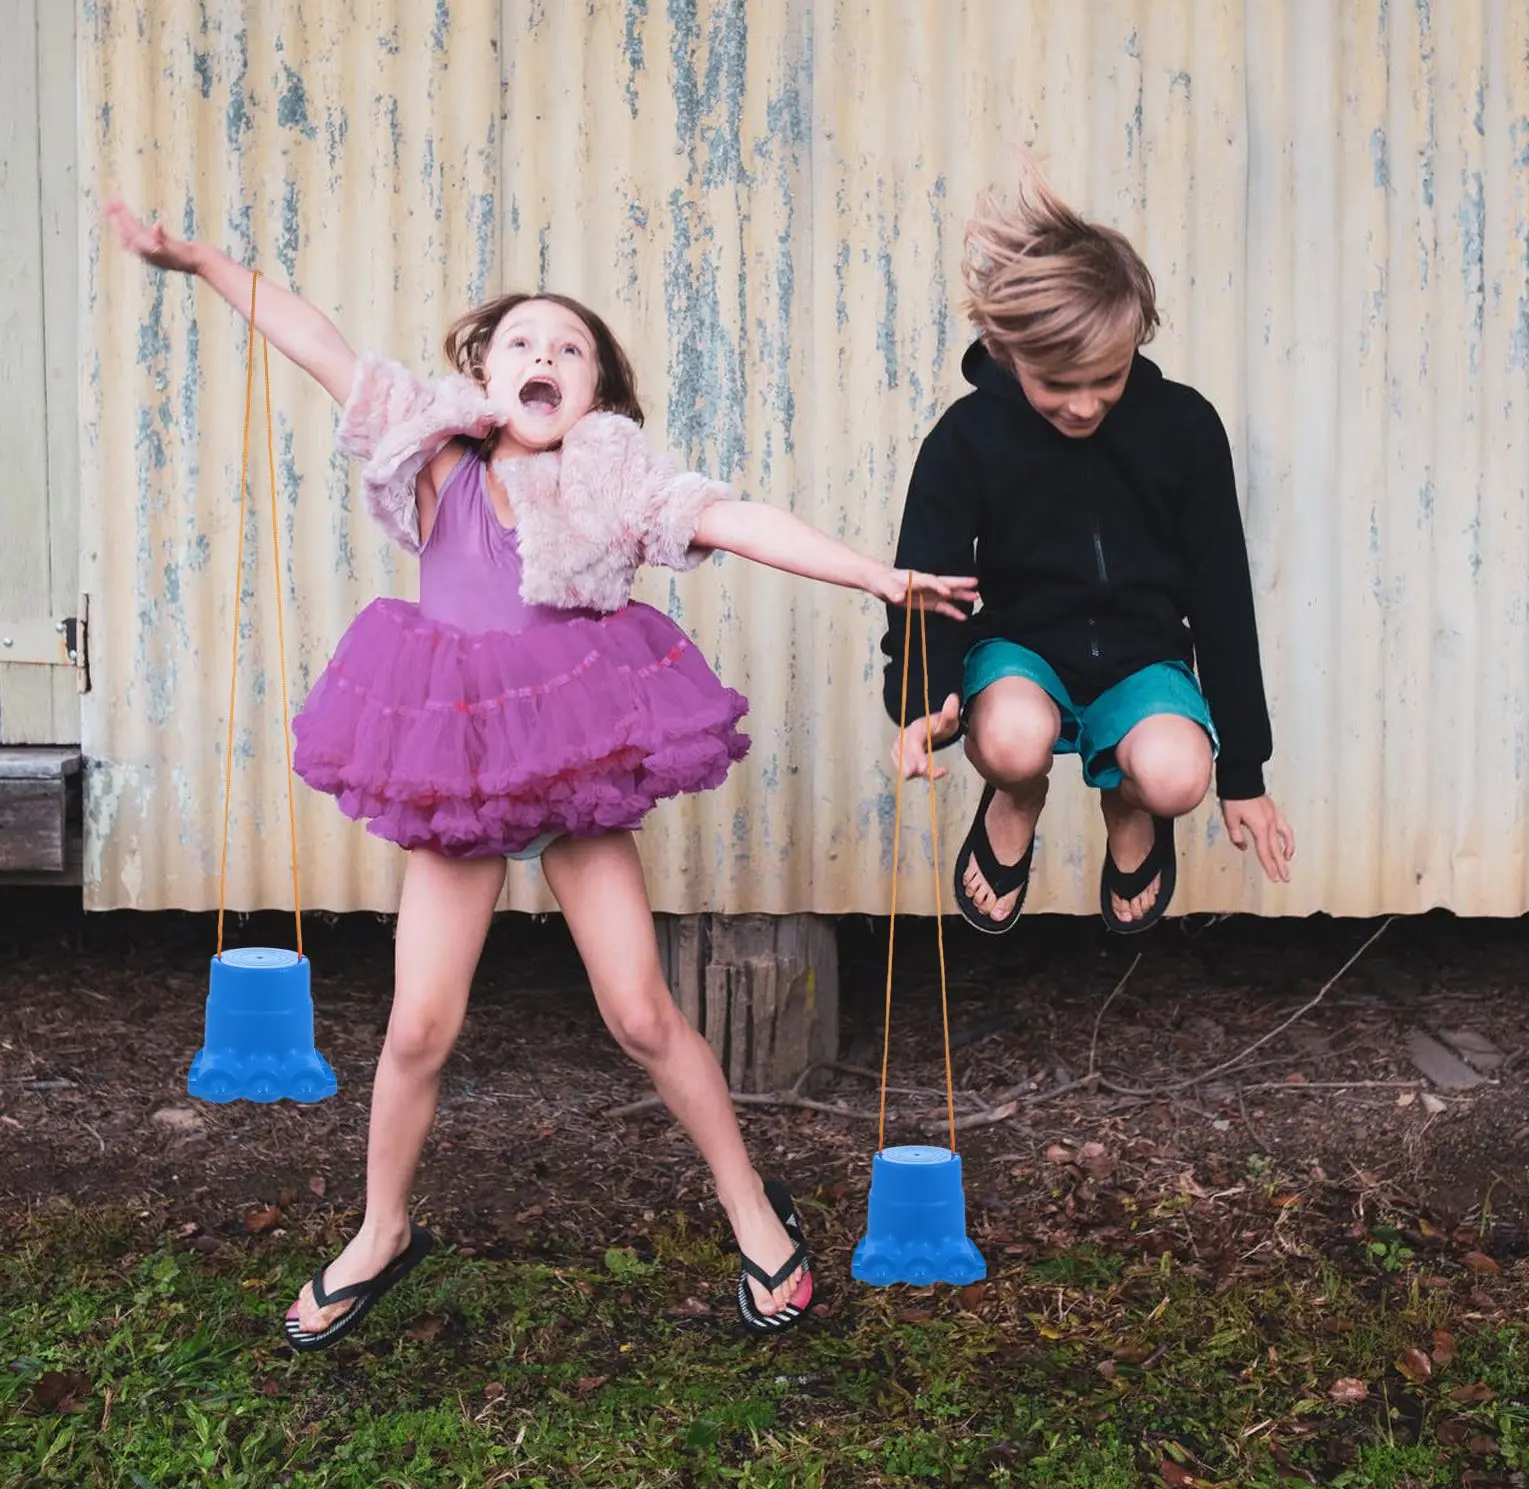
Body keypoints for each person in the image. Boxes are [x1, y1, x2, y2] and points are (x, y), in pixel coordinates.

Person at [108, 199, 978, 1345]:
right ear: (480, 368)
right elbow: (318, 343)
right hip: (458, 761)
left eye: (568, 348)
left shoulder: (613, 479)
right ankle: (382, 1227)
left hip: (567, 758)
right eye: (521, 341)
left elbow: (733, 516)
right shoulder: (433, 453)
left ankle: (753, 1209)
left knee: (639, 1011)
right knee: (419, 1026)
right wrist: (203, 260)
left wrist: (875, 575)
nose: (543, 357)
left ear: (596, 393)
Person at [882, 162, 1293, 936]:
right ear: (1010, 351)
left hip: (1142, 660)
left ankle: (1128, 802)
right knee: (1010, 741)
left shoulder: (1184, 430)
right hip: (1020, 654)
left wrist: (1246, 771)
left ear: (1135, 340)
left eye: (1105, 379)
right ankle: (1019, 795)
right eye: (1056, 383)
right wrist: (919, 700)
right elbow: (925, 578)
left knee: (1179, 778)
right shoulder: (967, 439)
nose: (1082, 404)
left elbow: (1221, 596)